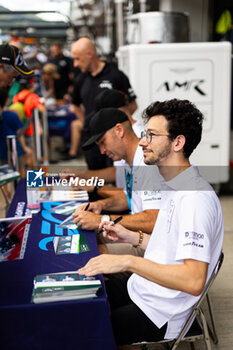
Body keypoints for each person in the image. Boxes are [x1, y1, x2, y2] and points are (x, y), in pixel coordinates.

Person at [78, 99, 224, 346]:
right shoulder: (175, 185)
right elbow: (170, 247)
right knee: (81, 299)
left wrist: (127, 260)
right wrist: (132, 238)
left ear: (178, 142)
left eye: (152, 135)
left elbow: (193, 280)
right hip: (146, 289)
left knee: (85, 328)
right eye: (145, 134)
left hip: (163, 312)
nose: (143, 141)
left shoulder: (194, 199)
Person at [73, 108, 162, 256]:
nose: (102, 151)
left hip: (153, 242)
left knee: (91, 253)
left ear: (119, 130)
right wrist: (100, 205)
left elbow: (153, 220)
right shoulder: (129, 160)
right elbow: (129, 198)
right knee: (84, 240)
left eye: (103, 142)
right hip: (138, 234)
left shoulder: (146, 162)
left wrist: (101, 219)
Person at [71, 37, 137, 169]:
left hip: (113, 138)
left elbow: (132, 105)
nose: (75, 64)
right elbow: (75, 105)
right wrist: (87, 123)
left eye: (77, 59)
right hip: (91, 138)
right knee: (96, 177)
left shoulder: (115, 75)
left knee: (117, 176)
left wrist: (117, 127)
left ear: (89, 54)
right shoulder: (80, 79)